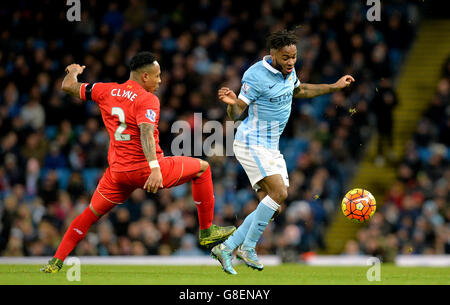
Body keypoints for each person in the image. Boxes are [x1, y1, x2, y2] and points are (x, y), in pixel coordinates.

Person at [41, 52, 235, 273]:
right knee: (203, 168)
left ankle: (56, 262)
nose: (160, 81)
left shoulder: (104, 90)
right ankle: (207, 231)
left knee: (89, 215)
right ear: (144, 77)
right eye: (157, 76)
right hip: (146, 169)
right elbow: (146, 131)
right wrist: (154, 168)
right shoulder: (148, 99)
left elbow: (68, 87)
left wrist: (74, 71)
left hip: (118, 174)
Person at [211, 30, 355, 274]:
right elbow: (237, 114)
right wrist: (231, 105)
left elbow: (299, 91)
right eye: (286, 57)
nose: (291, 62)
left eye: (294, 57)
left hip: (271, 146)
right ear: (273, 54)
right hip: (251, 141)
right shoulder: (255, 75)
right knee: (279, 192)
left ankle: (227, 247)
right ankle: (247, 248)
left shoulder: (290, 71)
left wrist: (334, 87)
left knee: (273, 206)